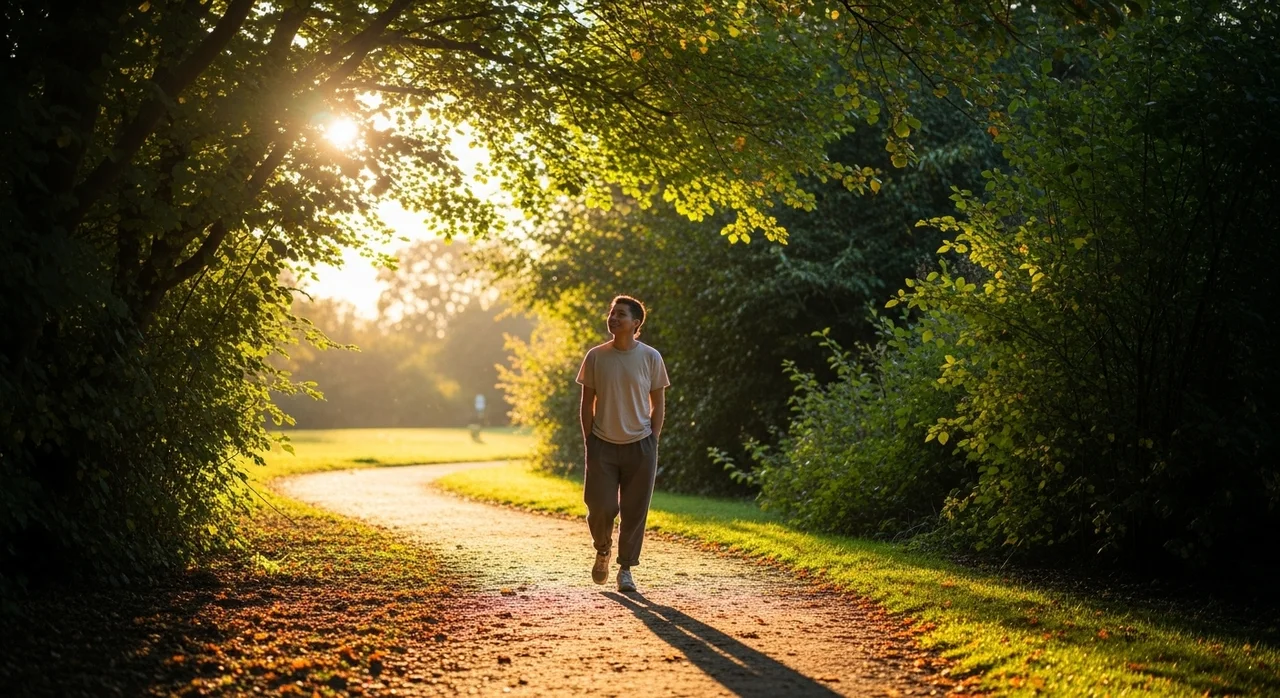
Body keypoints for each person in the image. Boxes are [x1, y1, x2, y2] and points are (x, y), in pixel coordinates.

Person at [576, 295, 670, 593]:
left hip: (641, 446)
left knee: (634, 510)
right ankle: (602, 549)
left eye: (620, 314)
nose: (613, 318)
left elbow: (659, 404)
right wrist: (589, 440)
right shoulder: (596, 356)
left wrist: (653, 439)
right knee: (600, 506)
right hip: (602, 444)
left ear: (635, 323)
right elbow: (586, 403)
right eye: (611, 313)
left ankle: (626, 569)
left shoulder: (651, 357)